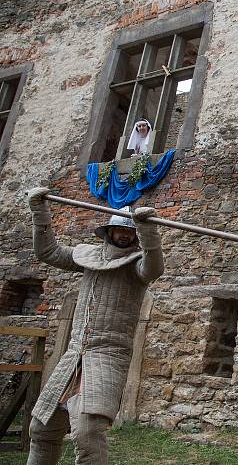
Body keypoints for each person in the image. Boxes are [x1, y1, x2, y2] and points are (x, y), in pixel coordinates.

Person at [25, 187, 165, 465]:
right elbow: (48, 252)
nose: (125, 235)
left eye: (130, 232)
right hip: (74, 354)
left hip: (108, 356)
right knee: (42, 429)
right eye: (120, 230)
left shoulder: (138, 265)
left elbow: (154, 269)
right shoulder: (88, 256)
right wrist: (39, 211)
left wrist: (148, 231)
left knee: (88, 433)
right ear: (109, 231)